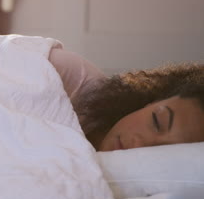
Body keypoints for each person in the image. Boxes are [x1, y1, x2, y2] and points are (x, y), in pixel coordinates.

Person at [49, 47, 204, 152]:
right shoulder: (72, 79)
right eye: (156, 122)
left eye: (162, 151)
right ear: (152, 102)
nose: (138, 144)